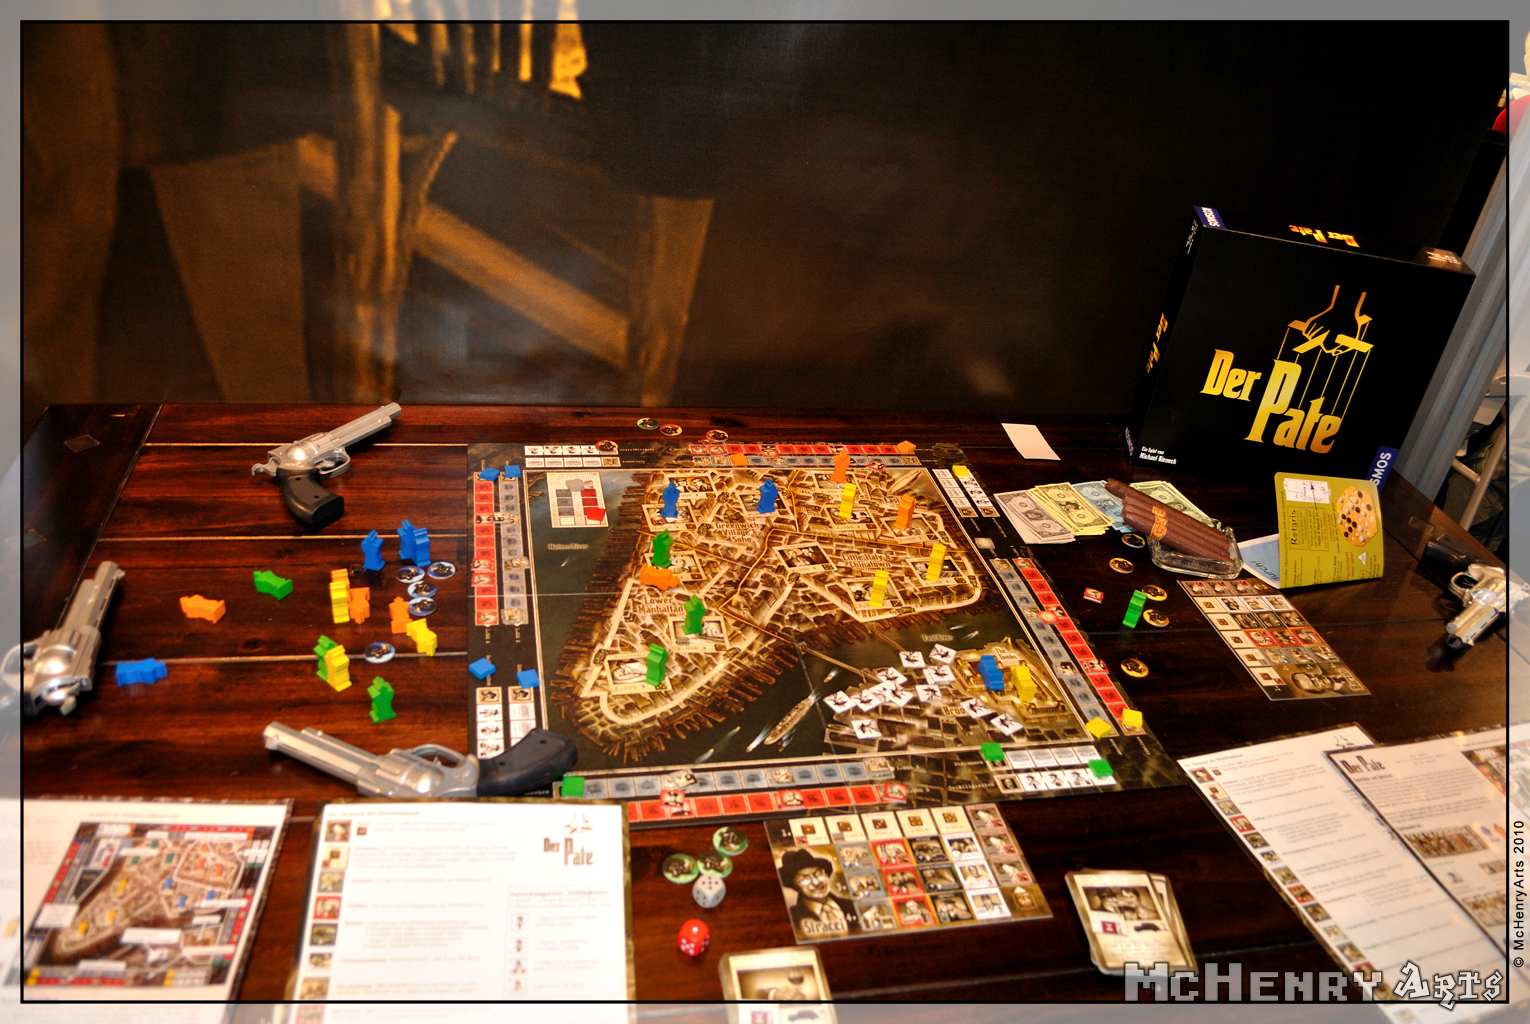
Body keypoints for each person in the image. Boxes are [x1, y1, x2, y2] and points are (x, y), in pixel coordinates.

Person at [778, 849, 855, 935]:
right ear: (794, 885)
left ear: (826, 874)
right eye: (804, 879)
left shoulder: (851, 905)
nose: (816, 882)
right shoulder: (792, 917)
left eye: (818, 874)